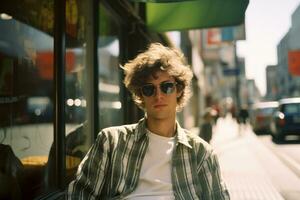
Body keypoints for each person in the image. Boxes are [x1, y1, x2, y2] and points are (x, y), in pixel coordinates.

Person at [67, 43, 230, 199]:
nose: (158, 96)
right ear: (141, 95)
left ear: (178, 90)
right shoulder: (111, 142)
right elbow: (80, 193)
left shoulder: (201, 153)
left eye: (166, 87)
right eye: (149, 89)